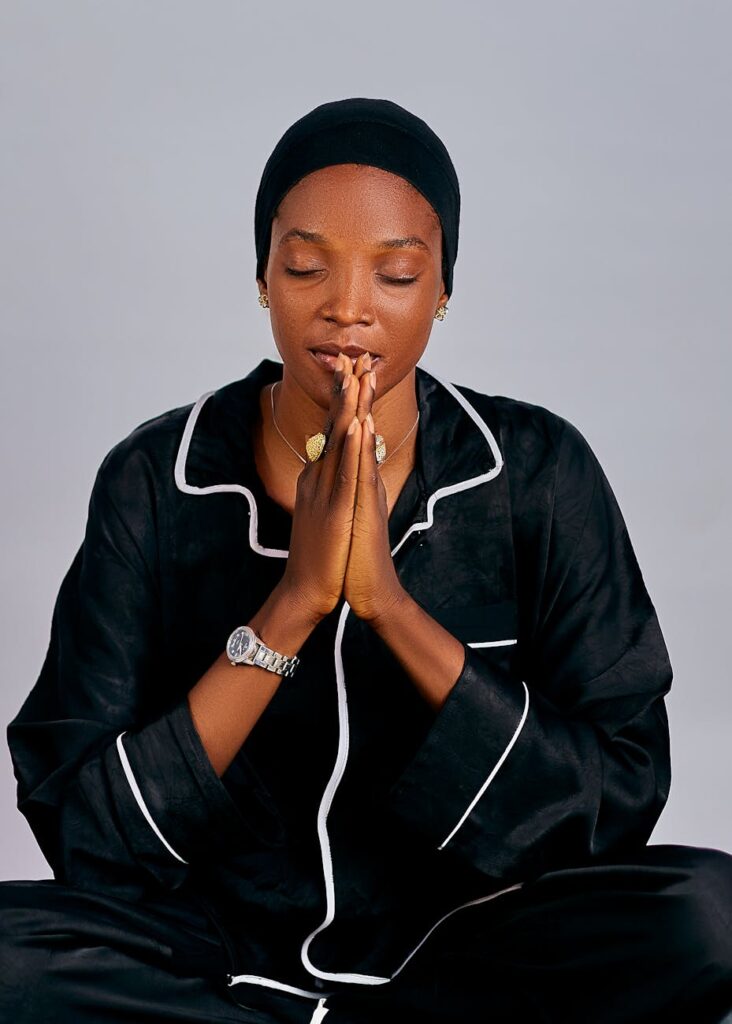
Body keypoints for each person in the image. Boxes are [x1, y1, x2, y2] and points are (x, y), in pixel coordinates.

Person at [1, 97, 731, 1024]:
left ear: (443, 288)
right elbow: (83, 826)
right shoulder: (155, 477)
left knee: (712, 918)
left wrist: (389, 605)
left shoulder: (538, 471)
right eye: (306, 266)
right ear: (263, 276)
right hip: (210, 947)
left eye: (396, 273)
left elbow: (618, 794)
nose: (347, 308)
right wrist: (294, 604)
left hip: (463, 944)